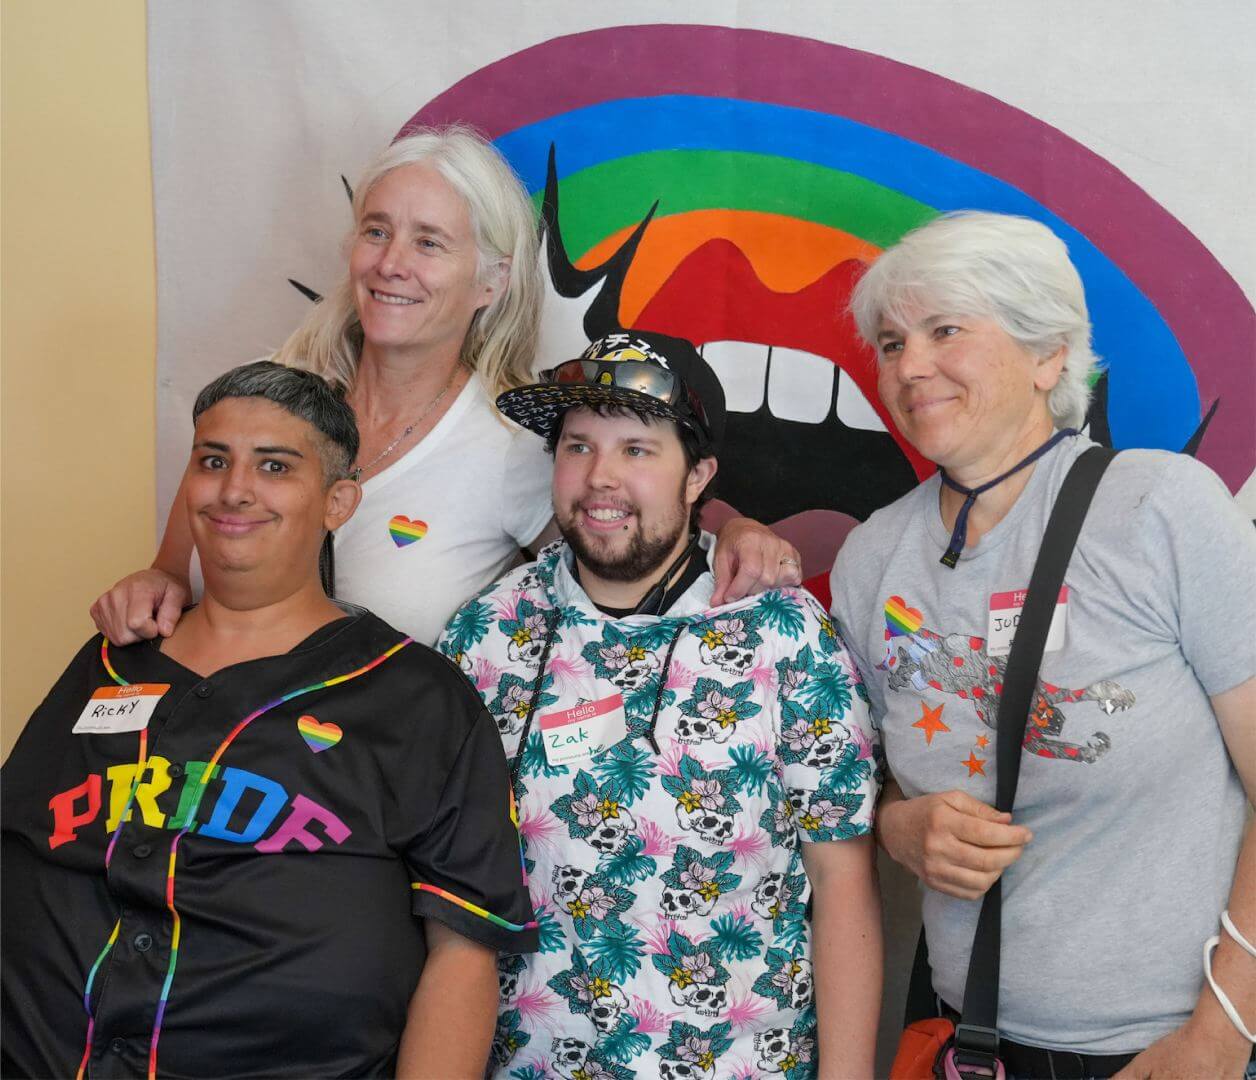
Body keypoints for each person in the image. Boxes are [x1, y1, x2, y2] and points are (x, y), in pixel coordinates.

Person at [2, 362, 537, 1079]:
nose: (234, 490)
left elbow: (463, 953)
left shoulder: (417, 697)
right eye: (213, 461)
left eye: (275, 466)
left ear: (338, 501)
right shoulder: (112, 660)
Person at [89, 127, 799, 650]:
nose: (392, 263)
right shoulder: (256, 409)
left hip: (377, 813)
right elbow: (172, 579)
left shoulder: (514, 446)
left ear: (491, 281)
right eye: (377, 231)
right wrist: (154, 589)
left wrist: (735, 531)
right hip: (210, 776)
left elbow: (624, 544)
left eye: (429, 242)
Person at [829, 211, 1256, 1079]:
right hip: (968, 1043)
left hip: (1170, 1049)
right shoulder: (873, 555)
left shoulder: (1161, 508)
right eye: (890, 340)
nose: (909, 366)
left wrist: (1222, 1035)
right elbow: (841, 783)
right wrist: (898, 824)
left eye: (945, 330)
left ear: (1048, 353)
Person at [439, 330, 883, 1079]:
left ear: (696, 475)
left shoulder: (784, 634)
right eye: (578, 447)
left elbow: (842, 883)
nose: (600, 478)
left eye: (637, 450)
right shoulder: (485, 635)